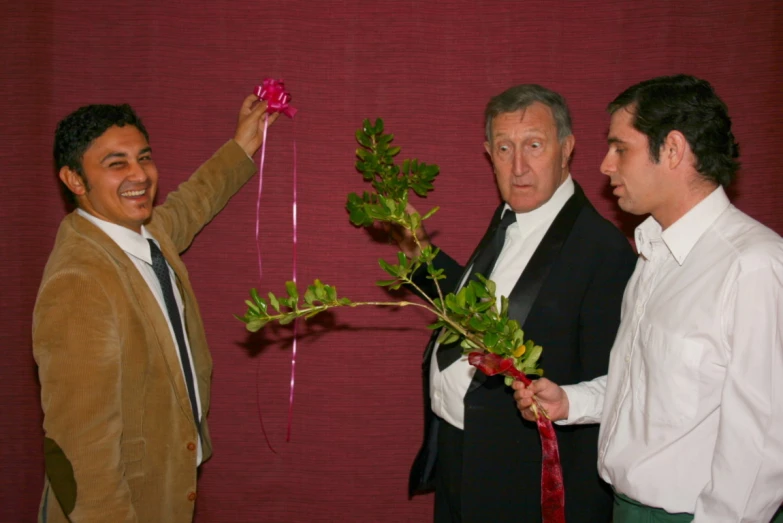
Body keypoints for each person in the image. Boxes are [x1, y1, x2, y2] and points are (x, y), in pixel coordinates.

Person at [514, 74, 783, 522]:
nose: (604, 164)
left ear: (673, 150)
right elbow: (647, 388)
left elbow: (762, 446)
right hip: (626, 508)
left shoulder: (753, 266)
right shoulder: (653, 252)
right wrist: (570, 402)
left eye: (621, 148)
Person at [394, 84, 638, 523]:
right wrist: (419, 256)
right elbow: (483, 316)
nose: (518, 166)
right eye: (504, 148)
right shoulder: (511, 217)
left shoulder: (603, 251)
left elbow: (615, 391)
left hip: (522, 483)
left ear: (567, 149)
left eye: (534, 145)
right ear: (488, 153)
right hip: (458, 456)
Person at [33, 95, 279, 522]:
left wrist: (241, 145)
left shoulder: (145, 236)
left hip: (165, 485)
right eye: (116, 164)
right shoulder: (79, 282)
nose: (140, 175)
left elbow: (190, 204)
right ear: (74, 180)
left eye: (143, 158)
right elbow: (80, 450)